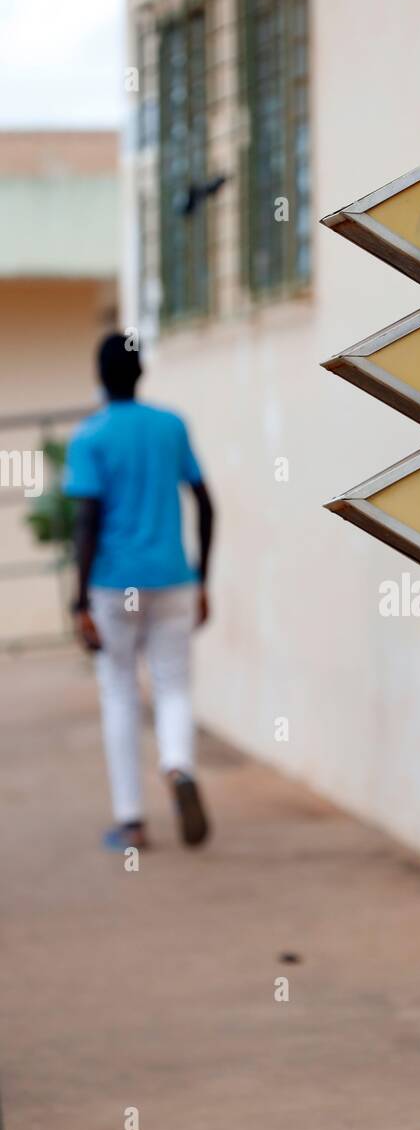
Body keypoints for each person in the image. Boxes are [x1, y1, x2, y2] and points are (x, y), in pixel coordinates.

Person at [64, 334, 215, 851]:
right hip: (174, 578)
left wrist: (79, 600)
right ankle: (178, 767)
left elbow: (87, 522)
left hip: (114, 585)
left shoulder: (90, 438)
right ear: (141, 372)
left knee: (121, 695)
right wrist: (204, 580)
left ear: (100, 377)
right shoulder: (171, 426)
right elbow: (206, 503)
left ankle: (132, 822)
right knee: (174, 687)